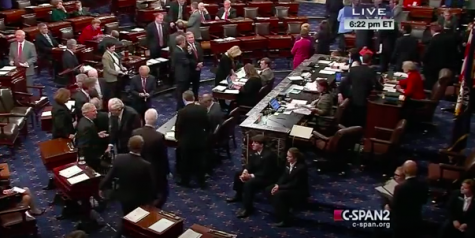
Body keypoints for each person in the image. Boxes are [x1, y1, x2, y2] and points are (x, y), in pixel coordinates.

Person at [99, 135, 156, 238]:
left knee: (127, 214)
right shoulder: (145, 165)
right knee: (134, 219)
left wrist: (101, 188)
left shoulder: (119, 158)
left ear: (128, 145)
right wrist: (151, 201)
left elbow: (109, 177)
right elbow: (150, 185)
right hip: (139, 199)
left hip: (122, 196)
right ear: (141, 147)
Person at [226, 135, 278, 218]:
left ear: (261, 145)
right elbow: (250, 165)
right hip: (257, 173)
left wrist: (250, 176)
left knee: (249, 184)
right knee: (238, 174)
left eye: (255, 143)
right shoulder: (253, 152)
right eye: (252, 142)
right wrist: (245, 171)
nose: (252, 144)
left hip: (267, 178)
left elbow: (265, 172)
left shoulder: (269, 156)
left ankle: (248, 208)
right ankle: (238, 195)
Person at [132, 109, 170, 208]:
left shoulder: (135, 132)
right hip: (154, 169)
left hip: (137, 167)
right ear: (156, 120)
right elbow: (163, 156)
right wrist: (166, 171)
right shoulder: (158, 136)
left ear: (144, 119)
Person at [175, 90, 210, 188]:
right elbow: (207, 125)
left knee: (185, 162)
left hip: (186, 142)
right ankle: (202, 182)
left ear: (184, 99)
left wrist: (177, 138)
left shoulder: (182, 112)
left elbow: (178, 127)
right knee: (200, 161)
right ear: (193, 98)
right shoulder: (202, 109)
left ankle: (185, 181)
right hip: (200, 140)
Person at [338, 53, 382, 127]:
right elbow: (376, 85)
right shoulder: (370, 71)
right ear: (370, 61)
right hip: (364, 99)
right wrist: (382, 87)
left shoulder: (353, 69)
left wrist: (339, 93)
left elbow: (344, 83)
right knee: (361, 120)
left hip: (353, 98)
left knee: (353, 118)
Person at [269, 147, 308, 227]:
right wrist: (277, 185)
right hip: (288, 186)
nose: (287, 158)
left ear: (295, 158)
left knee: (279, 194)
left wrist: (279, 187)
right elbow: (283, 177)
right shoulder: (287, 163)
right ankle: (279, 210)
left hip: (297, 190)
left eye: (289, 156)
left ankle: (285, 219)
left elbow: (294, 184)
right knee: (268, 189)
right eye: (287, 156)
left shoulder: (301, 168)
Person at [390, 160, 428, 238]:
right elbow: (424, 201)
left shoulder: (400, 187)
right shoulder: (423, 185)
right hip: (415, 220)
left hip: (401, 223)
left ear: (404, 171)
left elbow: (394, 205)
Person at [76, 103, 108, 171]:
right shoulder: (87, 126)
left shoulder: (84, 120)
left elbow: (89, 137)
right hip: (91, 157)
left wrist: (97, 135)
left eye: (96, 110)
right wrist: (83, 160)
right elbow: (83, 145)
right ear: (86, 113)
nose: (96, 113)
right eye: (93, 111)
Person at [172, 35, 191, 110]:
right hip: (181, 75)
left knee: (182, 91)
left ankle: (182, 105)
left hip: (181, 74)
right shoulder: (178, 52)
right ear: (181, 42)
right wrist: (190, 55)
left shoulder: (179, 49)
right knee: (181, 91)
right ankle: (180, 107)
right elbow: (186, 62)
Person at [186, 32, 204, 100]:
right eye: (189, 38)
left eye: (192, 37)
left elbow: (201, 54)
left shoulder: (197, 44)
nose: (191, 39)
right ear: (186, 39)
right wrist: (196, 65)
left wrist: (201, 63)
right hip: (190, 70)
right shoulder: (185, 47)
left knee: (196, 85)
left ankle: (196, 98)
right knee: (187, 86)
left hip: (198, 69)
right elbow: (188, 58)